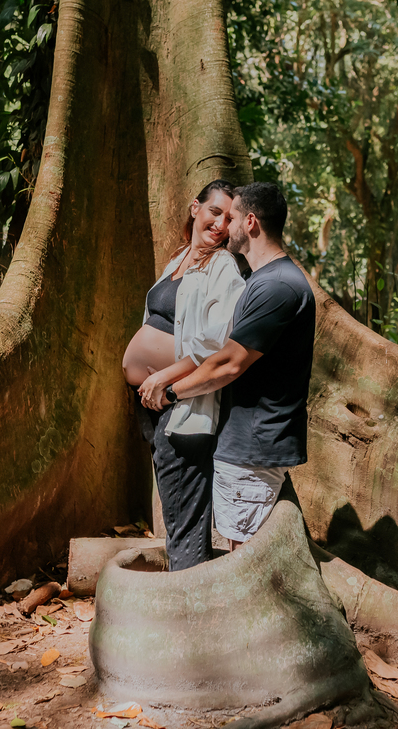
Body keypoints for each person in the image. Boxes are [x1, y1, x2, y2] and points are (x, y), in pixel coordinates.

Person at [144, 181, 315, 549]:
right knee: (243, 556)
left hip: (252, 448)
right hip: (243, 444)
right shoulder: (263, 280)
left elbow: (227, 364)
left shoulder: (278, 286)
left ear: (250, 222)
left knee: (246, 561)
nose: (225, 227)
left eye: (232, 217)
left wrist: (172, 392)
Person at [122, 180, 246, 570]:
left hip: (183, 404)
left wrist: (165, 380)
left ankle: (191, 612)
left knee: (186, 520)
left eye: (229, 218)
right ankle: (190, 602)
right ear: (195, 208)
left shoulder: (223, 266)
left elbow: (215, 344)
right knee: (176, 512)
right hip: (153, 405)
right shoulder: (178, 258)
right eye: (214, 212)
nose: (220, 224)